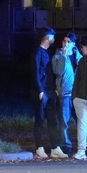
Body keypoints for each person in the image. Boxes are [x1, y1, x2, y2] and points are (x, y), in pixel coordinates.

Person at [31, 27, 67, 159]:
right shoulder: (37, 52)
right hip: (41, 91)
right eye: (52, 37)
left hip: (50, 91)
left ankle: (55, 147)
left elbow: (50, 72)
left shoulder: (48, 52)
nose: (54, 39)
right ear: (47, 38)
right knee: (40, 119)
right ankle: (39, 148)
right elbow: (35, 72)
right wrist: (40, 89)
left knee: (53, 119)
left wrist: (54, 89)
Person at [49, 32, 77, 159]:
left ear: (74, 44)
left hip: (78, 94)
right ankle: (66, 146)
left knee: (82, 121)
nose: (66, 44)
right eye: (64, 41)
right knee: (64, 121)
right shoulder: (58, 56)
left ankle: (86, 146)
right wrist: (64, 56)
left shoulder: (78, 55)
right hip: (64, 93)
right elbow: (58, 71)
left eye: (69, 42)